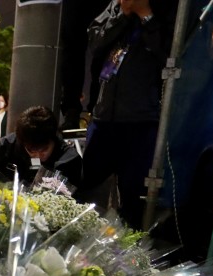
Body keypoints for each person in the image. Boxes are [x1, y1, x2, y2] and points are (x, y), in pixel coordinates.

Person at [79, 0, 171, 227]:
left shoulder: (167, 9)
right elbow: (95, 41)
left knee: (133, 195)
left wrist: (145, 14)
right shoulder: (116, 5)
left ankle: (127, 252)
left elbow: (170, 53)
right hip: (104, 117)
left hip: (141, 120)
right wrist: (123, 15)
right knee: (86, 183)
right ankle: (79, 236)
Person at [0, 106, 83, 188]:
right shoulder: (4, 149)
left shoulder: (68, 160)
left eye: (44, 150)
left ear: (53, 139)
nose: (38, 155)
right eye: (31, 151)